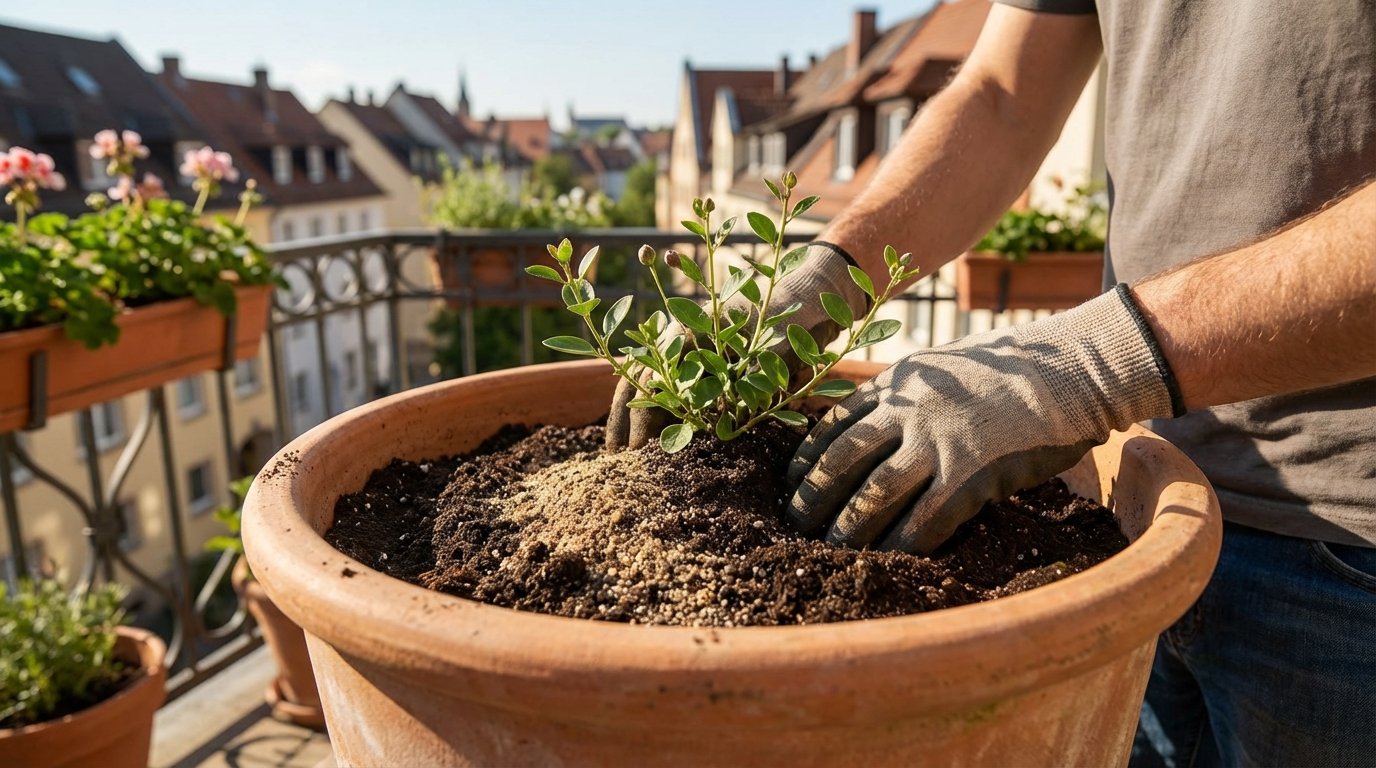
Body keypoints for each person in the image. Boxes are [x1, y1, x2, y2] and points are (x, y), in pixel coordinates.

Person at [609, 1, 1376, 764]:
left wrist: (1088, 365)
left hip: (1345, 550)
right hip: (1134, 506)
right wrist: (826, 274)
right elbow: (1002, 96)